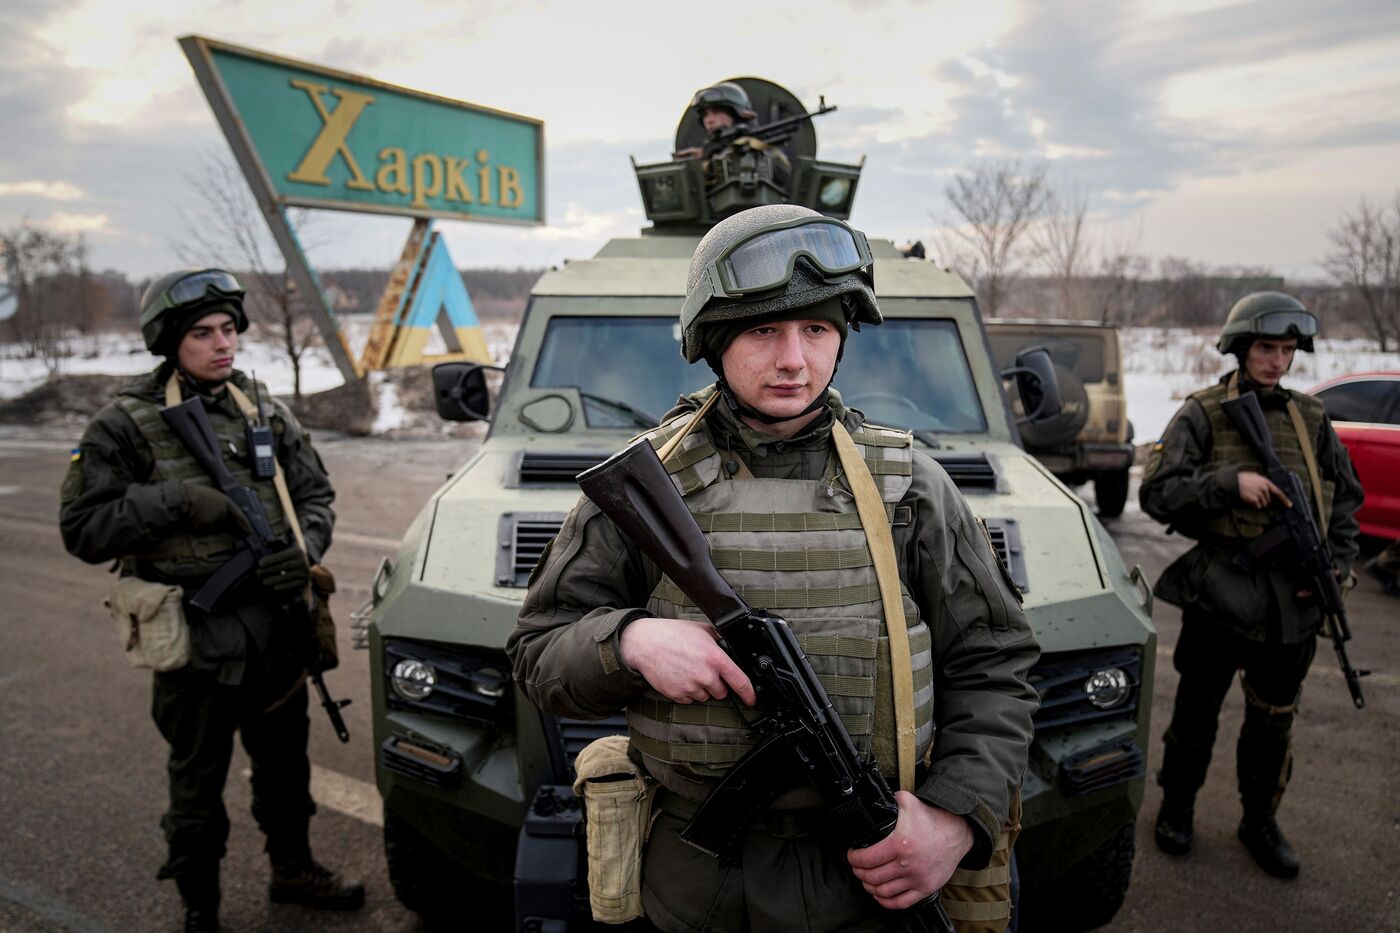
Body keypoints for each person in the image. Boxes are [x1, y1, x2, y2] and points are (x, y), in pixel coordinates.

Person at [508, 205, 1039, 932]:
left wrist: (955, 817)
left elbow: (995, 662)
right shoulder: (647, 487)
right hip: (693, 881)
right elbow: (538, 652)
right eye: (764, 330)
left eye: (817, 329)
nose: (795, 359)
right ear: (713, 341)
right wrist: (630, 641)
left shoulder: (909, 484)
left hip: (873, 871)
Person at [59, 269, 363, 931]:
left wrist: (302, 551)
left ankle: (293, 869)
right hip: (196, 643)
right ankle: (201, 906)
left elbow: (315, 495)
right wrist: (174, 502)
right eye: (203, 332)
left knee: (285, 772)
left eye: (228, 329)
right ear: (171, 341)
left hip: (275, 633)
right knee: (196, 791)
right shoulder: (124, 424)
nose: (222, 344)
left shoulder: (261, 407)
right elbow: (81, 527)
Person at [1140, 291, 1363, 879]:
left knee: (1273, 723)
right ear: (1242, 347)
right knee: (1195, 715)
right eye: (1267, 347)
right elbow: (1157, 491)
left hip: (1294, 602)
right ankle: (1178, 809)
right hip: (1221, 593)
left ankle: (1259, 820)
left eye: (1288, 350)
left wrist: (1336, 569)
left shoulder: (1310, 419)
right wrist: (1228, 482)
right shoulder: (1205, 412)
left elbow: (1345, 506)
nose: (1278, 360)